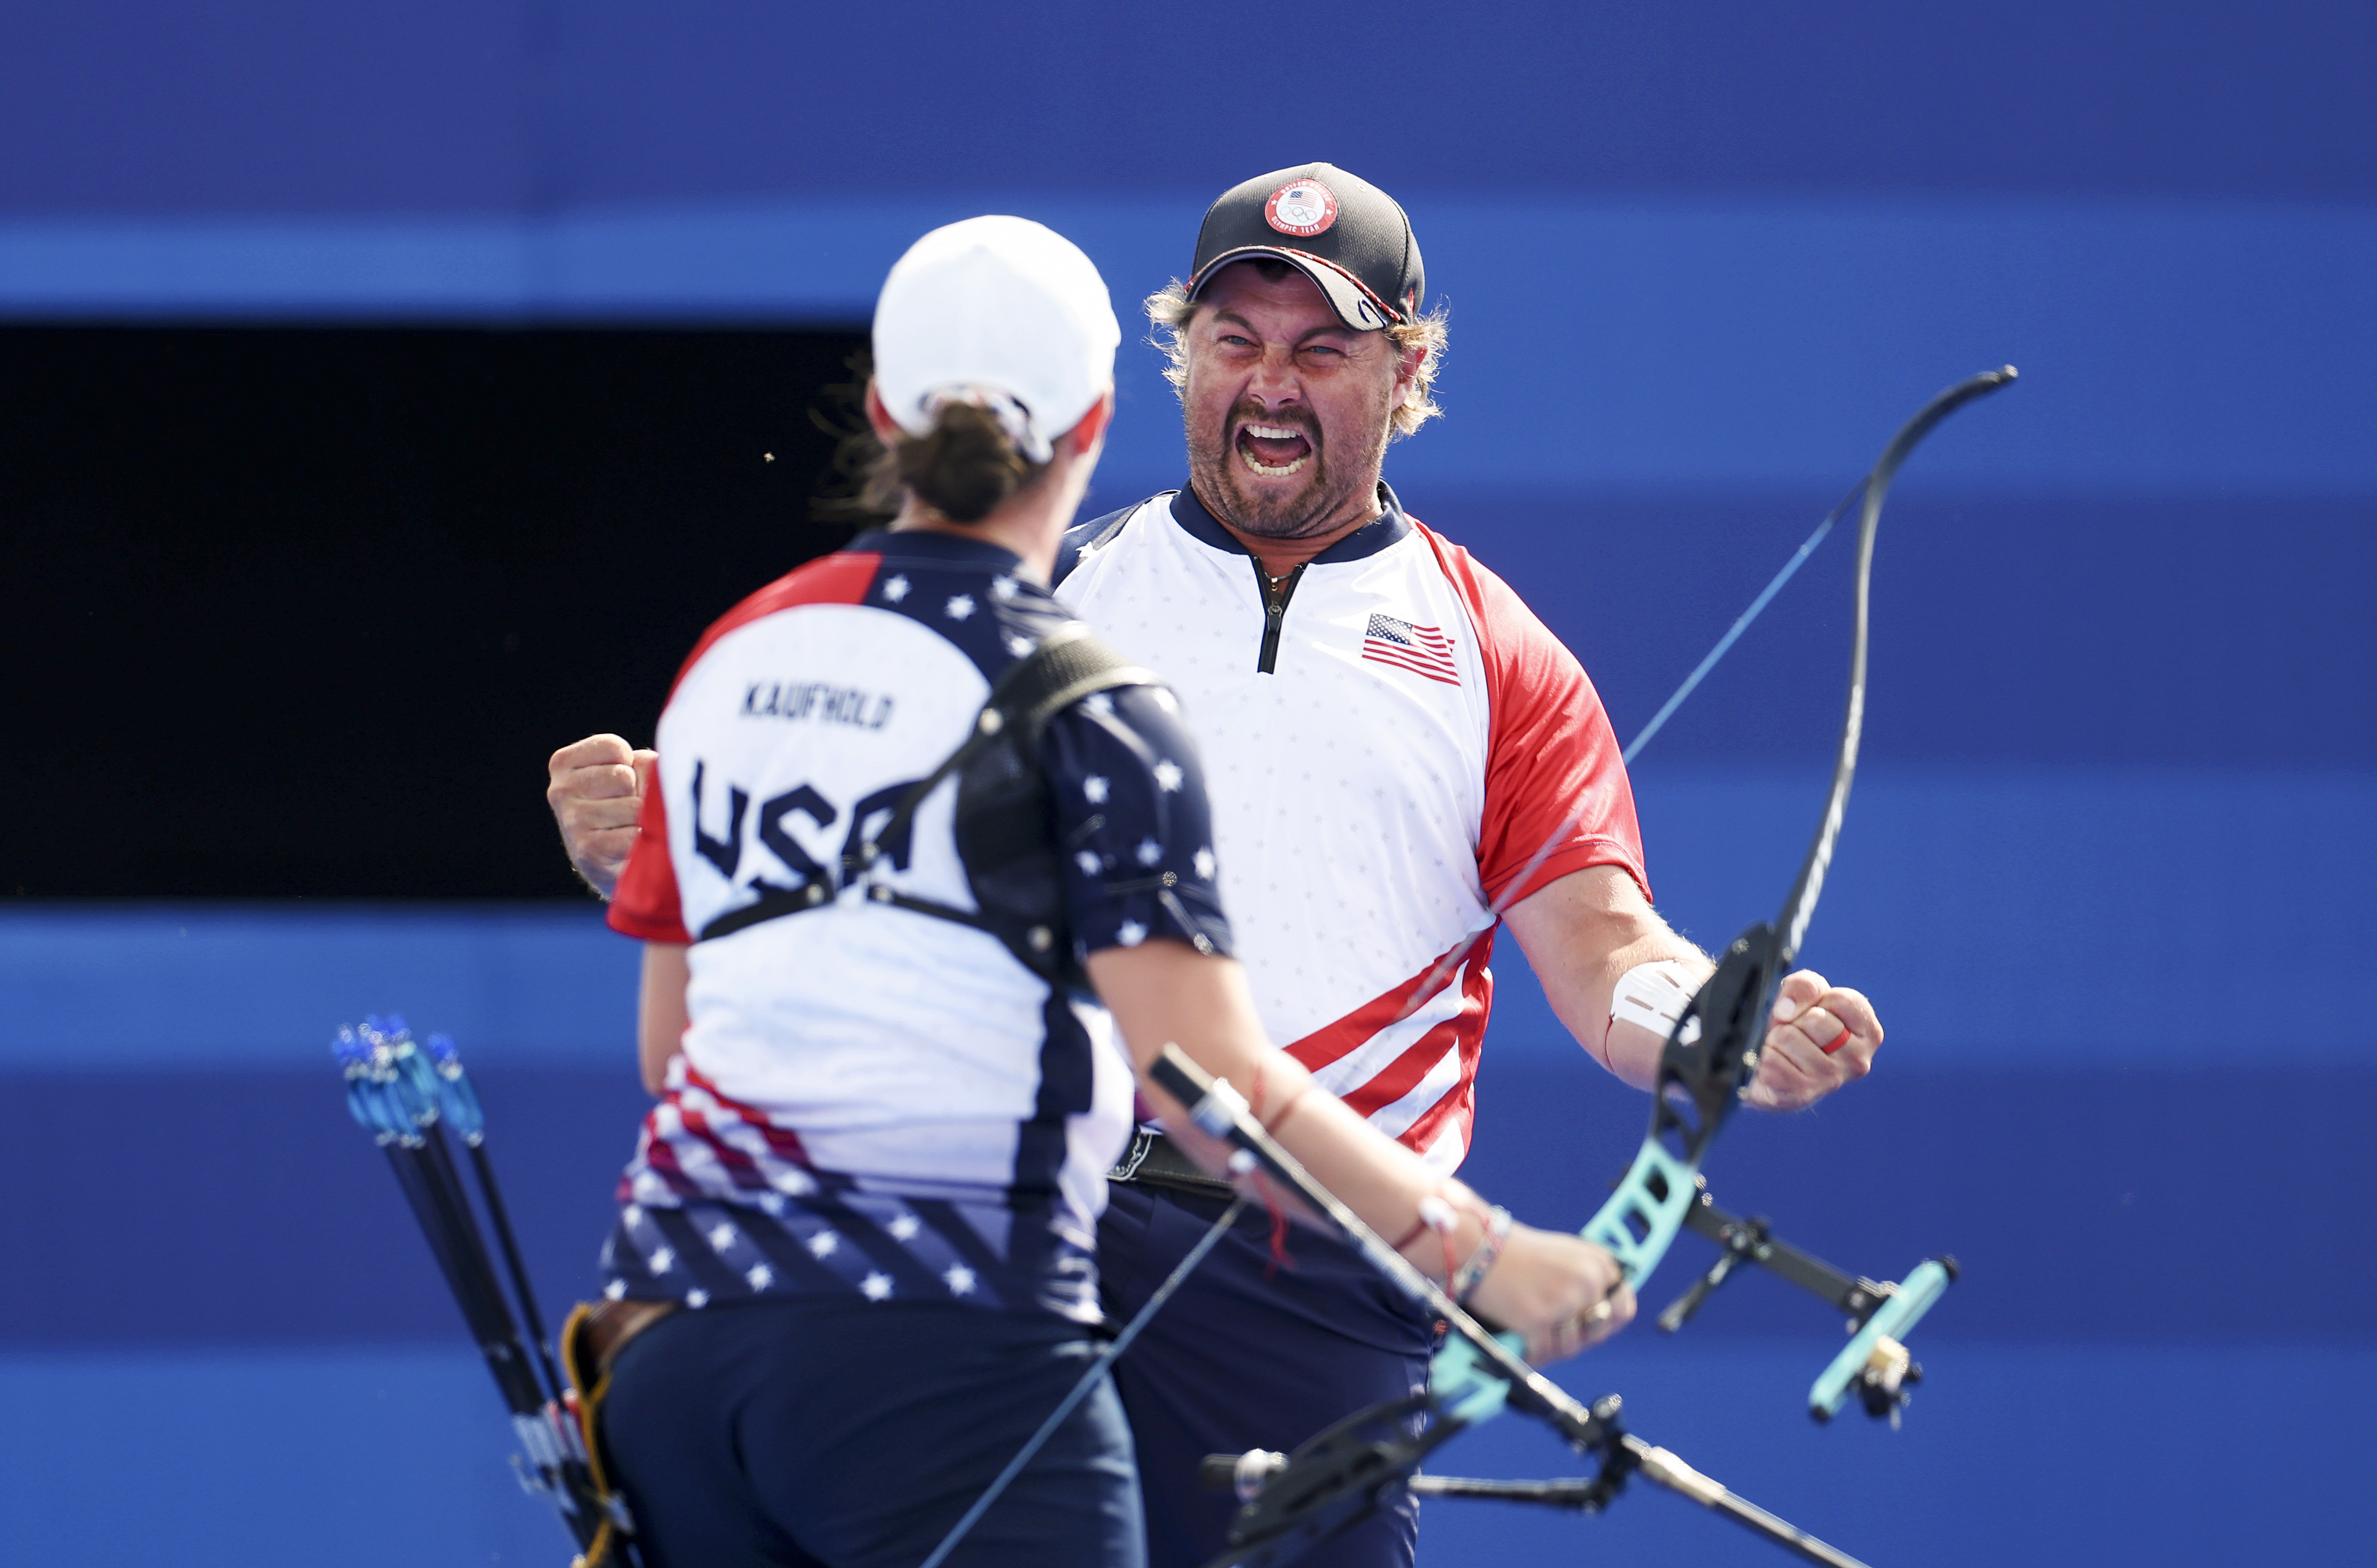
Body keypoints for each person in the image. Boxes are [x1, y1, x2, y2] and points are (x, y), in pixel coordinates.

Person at [551, 167, 1881, 1568]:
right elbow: (864, 925)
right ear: (1166, 363)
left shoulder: (1497, 655)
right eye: (1234, 343)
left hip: (1306, 1280)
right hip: (1041, 1242)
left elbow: (1607, 954)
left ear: (1409, 367)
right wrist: (668, 854)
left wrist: (1714, 1023)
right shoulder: (1047, 608)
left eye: (1324, 348)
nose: (1271, 385)